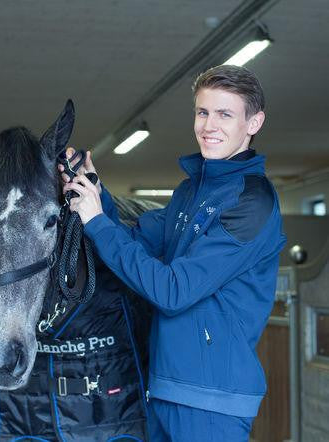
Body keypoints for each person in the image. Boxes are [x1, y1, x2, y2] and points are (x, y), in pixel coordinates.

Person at [60, 64, 286, 441]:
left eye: (225, 114)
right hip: (165, 386)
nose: (209, 125)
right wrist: (95, 193)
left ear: (254, 122)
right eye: (203, 112)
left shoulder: (251, 201)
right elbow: (134, 241)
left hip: (212, 399)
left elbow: (173, 291)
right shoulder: (189, 192)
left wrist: (96, 220)